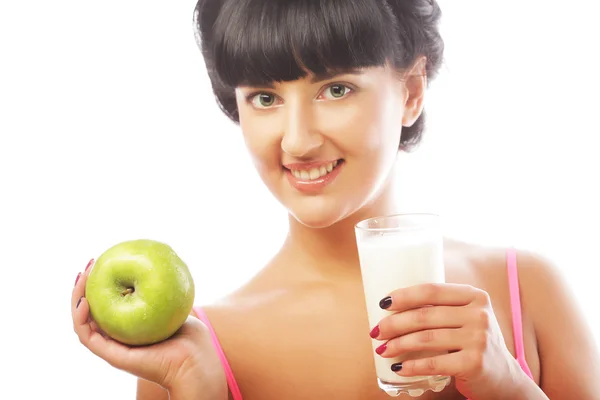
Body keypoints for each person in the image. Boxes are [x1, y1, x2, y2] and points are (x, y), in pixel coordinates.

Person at [71, 0, 600, 399]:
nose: (298, 141)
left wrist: (509, 385)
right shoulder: (195, 354)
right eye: (265, 97)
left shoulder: (527, 290)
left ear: (412, 91)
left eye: (336, 89)